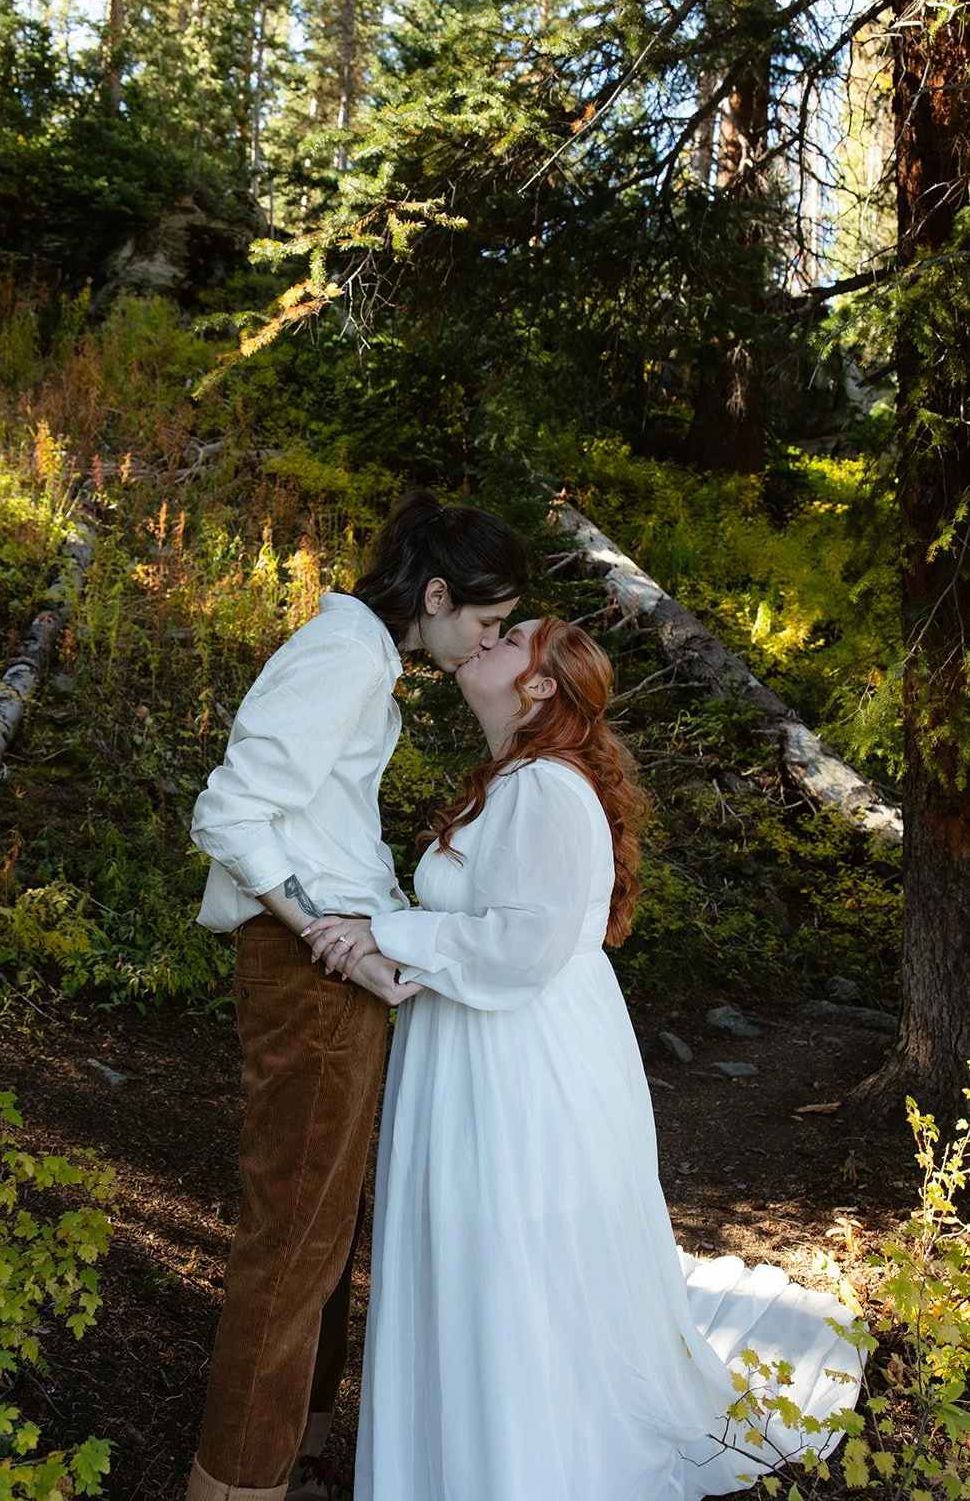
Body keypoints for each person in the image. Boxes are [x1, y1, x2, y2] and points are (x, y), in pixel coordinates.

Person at [303, 616, 865, 1501]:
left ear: (538, 688)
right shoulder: (509, 781)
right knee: (481, 1249)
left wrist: (385, 928)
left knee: (506, 1244)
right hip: (483, 1043)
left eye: (509, 638)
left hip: (522, 1060)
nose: (486, 637)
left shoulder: (546, 788)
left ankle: (522, 1461)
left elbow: (524, 944)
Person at [185, 492, 529, 1501]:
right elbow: (231, 810)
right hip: (307, 974)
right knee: (292, 1244)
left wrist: (375, 929)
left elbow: (321, 827)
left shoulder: (368, 664)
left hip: (334, 965)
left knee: (324, 1237)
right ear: (433, 594)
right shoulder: (341, 652)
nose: (485, 645)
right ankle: (234, 1483)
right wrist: (333, 942)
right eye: (485, 621)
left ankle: (299, 1450)